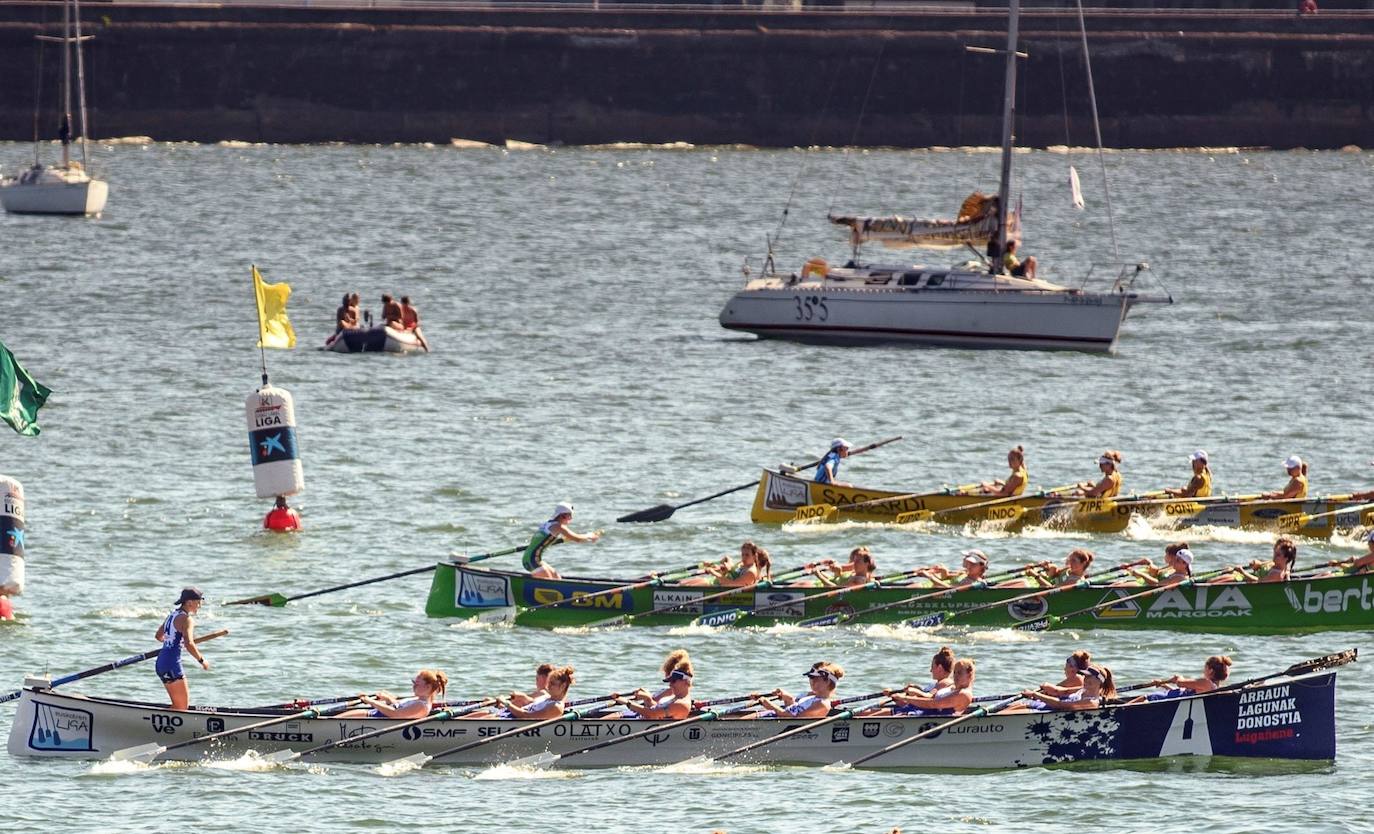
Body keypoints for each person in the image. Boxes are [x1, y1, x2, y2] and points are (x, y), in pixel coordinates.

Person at [155, 587, 210, 711]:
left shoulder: (171, 615)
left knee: (178, 706)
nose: (200, 606)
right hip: (172, 664)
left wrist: (174, 643)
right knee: (182, 707)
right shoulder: (187, 619)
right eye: (198, 602)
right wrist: (202, 661)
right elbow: (189, 644)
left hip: (161, 662)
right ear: (189, 602)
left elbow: (158, 636)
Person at [739, 662, 844, 719]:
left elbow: (794, 719)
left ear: (827, 682)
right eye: (810, 677)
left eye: (815, 678)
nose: (811, 681)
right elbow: (792, 708)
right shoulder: (810, 695)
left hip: (776, 721)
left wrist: (769, 704)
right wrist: (786, 697)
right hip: (773, 717)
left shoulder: (822, 704)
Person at [522, 503, 601, 579]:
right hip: (532, 561)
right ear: (562, 515)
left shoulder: (548, 523)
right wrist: (590, 535)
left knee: (557, 578)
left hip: (533, 559)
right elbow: (578, 539)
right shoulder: (558, 526)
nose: (571, 518)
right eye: (569, 515)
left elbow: (545, 540)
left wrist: (584, 537)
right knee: (551, 583)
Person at [609, 652, 695, 720]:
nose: (670, 684)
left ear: (686, 682)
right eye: (670, 681)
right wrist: (646, 698)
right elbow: (653, 710)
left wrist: (627, 702)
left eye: (673, 681)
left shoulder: (681, 704)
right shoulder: (676, 698)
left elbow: (652, 714)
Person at [336, 669, 448, 719]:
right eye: (413, 683)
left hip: (373, 719)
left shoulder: (421, 705)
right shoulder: (417, 700)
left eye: (417, 683)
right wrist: (388, 698)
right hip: (373, 716)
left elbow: (395, 714)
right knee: (336, 718)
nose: (413, 686)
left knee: (335, 720)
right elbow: (398, 706)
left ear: (428, 687)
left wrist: (371, 701)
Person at [885, 657, 975, 716]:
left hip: (929, 721)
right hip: (921, 714)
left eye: (959, 673)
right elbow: (928, 698)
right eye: (954, 673)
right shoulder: (952, 688)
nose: (955, 676)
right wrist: (899, 697)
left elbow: (933, 704)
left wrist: (905, 698)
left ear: (969, 675)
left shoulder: (964, 694)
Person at [490, 666, 575, 720]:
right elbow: (527, 705)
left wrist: (506, 703)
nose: (548, 686)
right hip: (509, 715)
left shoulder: (556, 707)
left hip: (515, 720)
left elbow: (526, 716)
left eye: (552, 684)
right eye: (548, 683)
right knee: (484, 715)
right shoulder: (545, 697)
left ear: (563, 686)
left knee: (486, 718)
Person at [1022, 664, 1115, 711]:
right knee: (1019, 704)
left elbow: (1061, 705)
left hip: (1050, 713)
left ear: (1099, 681)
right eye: (1085, 676)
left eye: (1089, 676)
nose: (1086, 679)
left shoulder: (1092, 702)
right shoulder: (1081, 689)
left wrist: (1035, 694)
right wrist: (1047, 689)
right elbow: (1062, 691)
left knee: (1019, 710)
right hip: (1045, 707)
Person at [683, 541, 771, 587]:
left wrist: (713, 572)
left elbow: (731, 584)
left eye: (747, 555)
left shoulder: (751, 572)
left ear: (754, 556)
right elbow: (728, 573)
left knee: (687, 586)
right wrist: (714, 566)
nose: (744, 557)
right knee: (682, 583)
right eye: (742, 554)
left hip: (717, 589)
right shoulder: (742, 564)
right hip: (715, 582)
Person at [1149, 655, 1232, 699]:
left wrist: (1178, 677)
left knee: (1145, 698)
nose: (1203, 670)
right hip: (1174, 700)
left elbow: (1180, 683)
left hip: (1168, 702)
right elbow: (1184, 694)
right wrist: (1163, 685)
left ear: (1210, 670)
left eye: (1205, 668)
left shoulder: (1206, 683)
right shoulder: (1215, 689)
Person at [1123, 542, 1193, 587]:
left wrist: (1141, 574)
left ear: (1185, 564)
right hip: (1146, 586)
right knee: (1120, 583)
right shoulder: (1175, 572)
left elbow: (1157, 584)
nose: (1174, 561)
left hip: (1149, 590)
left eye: (1177, 560)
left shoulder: (1179, 578)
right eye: (1175, 559)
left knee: (1121, 586)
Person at [1231, 537, 1297, 583]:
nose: (1274, 556)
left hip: (1245, 580)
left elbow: (1258, 582)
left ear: (1286, 558)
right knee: (1229, 570)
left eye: (1278, 555)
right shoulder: (1276, 563)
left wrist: (1242, 571)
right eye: (1275, 553)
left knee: (1227, 578)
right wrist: (1257, 565)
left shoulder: (1277, 574)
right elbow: (1260, 565)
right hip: (1243, 577)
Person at [1025, 549, 1095, 588]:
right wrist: (1044, 567)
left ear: (1083, 563)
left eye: (1074, 560)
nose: (1069, 562)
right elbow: (1054, 574)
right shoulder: (1068, 569)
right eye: (1069, 559)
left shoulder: (1075, 581)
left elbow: (1051, 589)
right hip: (1046, 584)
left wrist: (1035, 575)